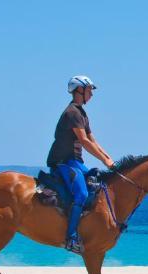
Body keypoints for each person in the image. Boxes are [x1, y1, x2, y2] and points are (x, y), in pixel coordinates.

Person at [46, 75, 115, 253]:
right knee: (82, 194)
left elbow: (93, 140)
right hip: (62, 162)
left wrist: (108, 158)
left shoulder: (82, 113)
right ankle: (71, 238)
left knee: (97, 185)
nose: (91, 94)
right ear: (79, 90)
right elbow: (84, 141)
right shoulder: (72, 113)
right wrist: (103, 159)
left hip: (76, 162)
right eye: (89, 90)